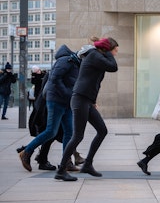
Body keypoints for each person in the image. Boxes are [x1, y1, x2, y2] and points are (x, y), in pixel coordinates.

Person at [55, 37, 119, 181]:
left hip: (86, 100)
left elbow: (92, 80)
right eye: (115, 50)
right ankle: (61, 171)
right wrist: (108, 51)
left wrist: (93, 100)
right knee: (78, 136)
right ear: (108, 49)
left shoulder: (96, 56)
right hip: (80, 99)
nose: (115, 54)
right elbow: (113, 67)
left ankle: (88, 164)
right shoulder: (95, 55)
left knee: (102, 130)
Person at [18, 45, 81, 172]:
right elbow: (55, 79)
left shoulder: (76, 64)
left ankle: (66, 162)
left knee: (69, 132)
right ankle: (27, 152)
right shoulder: (66, 61)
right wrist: (66, 94)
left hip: (66, 102)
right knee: (51, 131)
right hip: (56, 101)